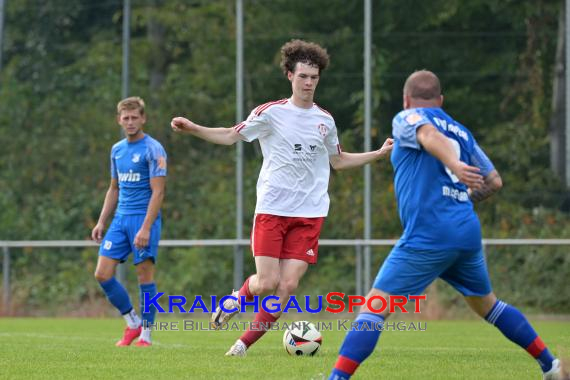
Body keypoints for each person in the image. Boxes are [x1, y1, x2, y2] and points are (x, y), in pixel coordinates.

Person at [329, 70, 568, 380]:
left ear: (406, 99)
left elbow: (429, 136)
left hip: (429, 233)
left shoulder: (407, 117)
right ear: (440, 101)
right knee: (489, 306)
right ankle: (551, 367)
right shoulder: (461, 131)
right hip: (465, 231)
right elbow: (494, 181)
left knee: (373, 308)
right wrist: (460, 195)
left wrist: (454, 165)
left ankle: (336, 379)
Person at [171, 39, 393, 356]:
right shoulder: (271, 113)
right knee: (265, 283)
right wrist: (194, 128)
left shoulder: (325, 120)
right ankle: (236, 298)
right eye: (303, 76)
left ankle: (242, 345)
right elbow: (232, 136)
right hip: (273, 209)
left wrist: (379, 154)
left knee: (287, 286)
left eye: (314, 78)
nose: (309, 83)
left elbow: (339, 161)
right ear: (290, 75)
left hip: (311, 213)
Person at [91, 96, 167, 347]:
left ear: (143, 118)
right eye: (126, 118)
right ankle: (132, 322)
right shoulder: (116, 149)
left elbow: (158, 192)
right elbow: (114, 188)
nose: (131, 122)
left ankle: (146, 335)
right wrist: (102, 221)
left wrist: (146, 227)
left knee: (144, 276)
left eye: (135, 117)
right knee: (102, 273)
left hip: (143, 220)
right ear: (119, 120)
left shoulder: (153, 149)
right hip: (120, 220)